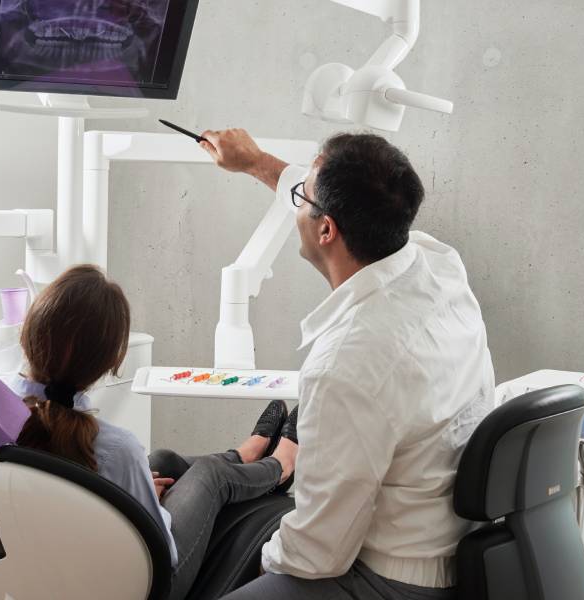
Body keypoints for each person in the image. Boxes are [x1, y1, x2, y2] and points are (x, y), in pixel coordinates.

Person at [198, 130, 495, 599]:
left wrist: (256, 564)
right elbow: (334, 195)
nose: (298, 197)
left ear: (326, 230)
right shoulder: (438, 264)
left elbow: (317, 554)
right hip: (442, 543)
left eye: (304, 196)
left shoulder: (347, 363)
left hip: (385, 579)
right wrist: (255, 162)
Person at [8, 264, 300, 600]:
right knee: (210, 475)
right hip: (144, 587)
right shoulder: (116, 450)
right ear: (109, 364)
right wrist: (147, 509)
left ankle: (245, 456)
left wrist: (137, 495)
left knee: (162, 460)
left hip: (54, 576)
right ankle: (280, 466)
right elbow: (162, 550)